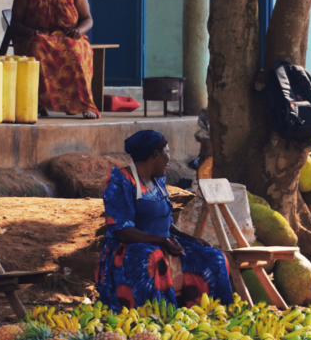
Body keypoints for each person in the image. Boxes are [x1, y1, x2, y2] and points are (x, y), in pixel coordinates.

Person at [96, 130, 234, 311]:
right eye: (167, 152)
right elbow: (123, 230)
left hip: (162, 241)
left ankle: (214, 315)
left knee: (214, 257)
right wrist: (161, 241)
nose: (169, 158)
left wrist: (191, 238)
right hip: (130, 246)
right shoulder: (120, 180)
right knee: (152, 257)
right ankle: (159, 319)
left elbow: (165, 221)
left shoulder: (158, 179)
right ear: (155, 154)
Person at [9, 0, 99, 119]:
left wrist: (79, 31)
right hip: (37, 37)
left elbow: (88, 19)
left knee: (75, 49)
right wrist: (29, 32)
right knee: (37, 47)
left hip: (69, 37)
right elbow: (15, 23)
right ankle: (36, 103)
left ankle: (84, 104)